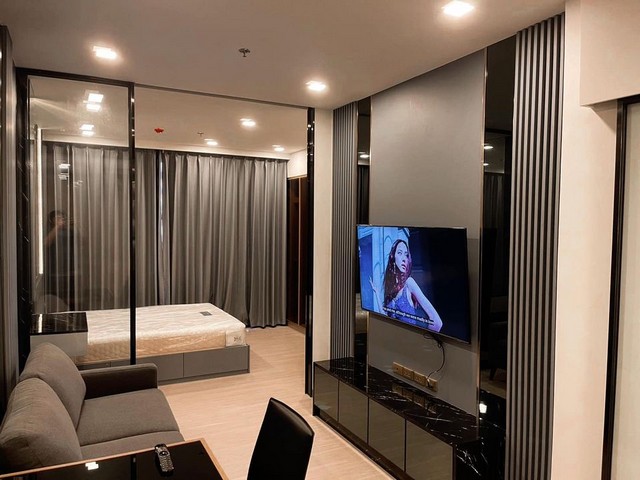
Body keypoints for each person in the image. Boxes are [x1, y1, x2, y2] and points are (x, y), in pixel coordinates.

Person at [370, 239, 443, 332]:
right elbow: (384, 315)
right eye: (400, 253)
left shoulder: (409, 283)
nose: (404, 258)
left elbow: (437, 323)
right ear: (393, 257)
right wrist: (376, 292)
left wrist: (420, 338)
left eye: (406, 255)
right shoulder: (392, 291)